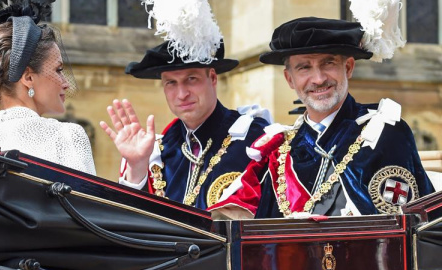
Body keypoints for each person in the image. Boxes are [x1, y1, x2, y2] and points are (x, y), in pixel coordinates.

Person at [208, 16, 435, 219]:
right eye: (304, 67)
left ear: (348, 67)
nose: (318, 79)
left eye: (328, 63)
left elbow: (405, 230)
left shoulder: (385, 133)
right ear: (290, 79)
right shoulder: (279, 151)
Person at [100, 0, 271, 210]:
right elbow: (136, 226)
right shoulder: (157, 152)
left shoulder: (256, 140)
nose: (182, 94)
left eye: (192, 79)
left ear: (213, 78)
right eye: (171, 83)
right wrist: (136, 167)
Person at [0, 1, 96, 175]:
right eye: (58, 70)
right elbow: (88, 202)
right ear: (28, 77)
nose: (66, 83)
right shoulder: (66, 136)